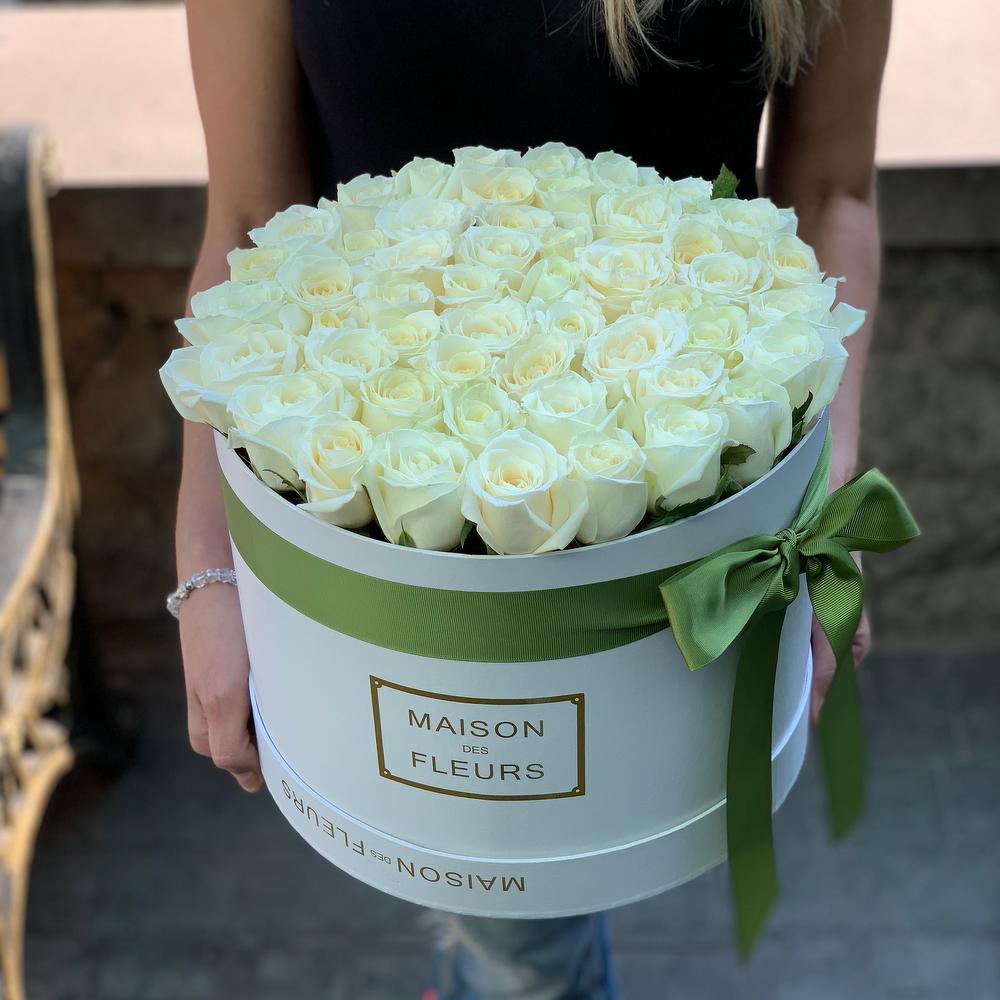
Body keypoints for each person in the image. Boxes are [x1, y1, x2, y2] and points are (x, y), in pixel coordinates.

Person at [174, 1, 891, 996]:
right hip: (392, 527)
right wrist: (208, 565)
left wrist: (816, 499)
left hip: (696, 510)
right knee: (519, 934)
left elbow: (832, 190)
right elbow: (250, 215)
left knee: (567, 891)